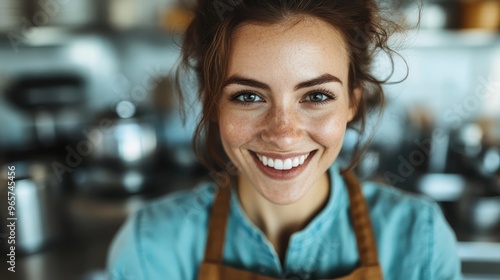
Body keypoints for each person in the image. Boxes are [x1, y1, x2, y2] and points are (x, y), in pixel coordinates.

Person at [107, 0, 462, 279]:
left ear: (352, 102)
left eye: (317, 96)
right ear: (213, 100)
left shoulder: (420, 241)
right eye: (248, 96)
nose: (283, 134)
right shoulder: (151, 246)